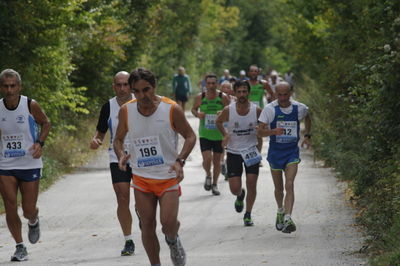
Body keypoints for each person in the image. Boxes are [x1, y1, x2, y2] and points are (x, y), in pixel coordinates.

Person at [114, 68, 196, 266]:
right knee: (147, 226)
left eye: (146, 90)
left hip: (167, 177)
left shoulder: (171, 109)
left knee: (168, 224)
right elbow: (117, 139)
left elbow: (190, 136)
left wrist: (180, 161)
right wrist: (121, 155)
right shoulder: (127, 110)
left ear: (154, 86)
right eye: (137, 91)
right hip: (142, 178)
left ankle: (173, 240)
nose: (142, 96)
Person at [0, 69, 51, 261]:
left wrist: (40, 143)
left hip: (29, 162)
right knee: (10, 204)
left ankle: (33, 219)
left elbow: (46, 123)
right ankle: (20, 246)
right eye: (6, 86)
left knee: (28, 208)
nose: (9, 90)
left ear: (19, 87)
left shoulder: (30, 104)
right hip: (5, 163)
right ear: (1, 87)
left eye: (13, 86)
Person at [90, 71, 135, 256]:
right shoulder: (108, 106)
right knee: (122, 197)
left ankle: (142, 216)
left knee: (142, 202)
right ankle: (128, 240)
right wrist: (96, 140)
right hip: (117, 157)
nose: (122, 88)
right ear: (113, 86)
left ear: (131, 85)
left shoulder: (140, 102)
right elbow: (100, 132)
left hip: (142, 157)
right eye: (118, 85)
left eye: (125, 84)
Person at [257, 82, 311, 234]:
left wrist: (307, 135)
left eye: (285, 94)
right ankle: (280, 210)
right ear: (275, 93)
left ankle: (288, 217)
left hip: (291, 152)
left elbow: (308, 117)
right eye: (279, 94)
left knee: (289, 183)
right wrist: (273, 132)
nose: (282, 98)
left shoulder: (300, 108)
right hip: (275, 153)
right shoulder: (269, 110)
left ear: (291, 93)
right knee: (279, 189)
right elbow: (259, 132)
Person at [216, 80, 262, 226]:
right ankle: (240, 195)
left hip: (251, 151)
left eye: (244, 91)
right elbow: (218, 122)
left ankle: (248, 214)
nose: (242, 94)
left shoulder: (257, 110)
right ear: (234, 93)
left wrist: (259, 149)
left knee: (252, 184)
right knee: (234, 188)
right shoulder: (229, 110)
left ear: (248, 92)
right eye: (239, 92)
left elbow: (262, 130)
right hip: (234, 152)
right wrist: (225, 134)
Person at [191, 74, 230, 195]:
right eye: (209, 83)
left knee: (217, 161)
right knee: (207, 159)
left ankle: (215, 184)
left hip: (218, 134)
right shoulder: (200, 97)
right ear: (205, 84)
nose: (211, 86)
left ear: (217, 84)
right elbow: (193, 109)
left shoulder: (222, 97)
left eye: (214, 83)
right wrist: (197, 114)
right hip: (205, 134)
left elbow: (230, 111)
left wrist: (222, 113)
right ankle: (208, 174)